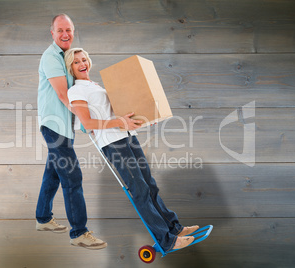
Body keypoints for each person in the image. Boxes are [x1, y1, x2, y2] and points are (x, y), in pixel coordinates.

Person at [65, 48, 199, 252]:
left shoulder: (95, 85)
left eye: (84, 59)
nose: (82, 64)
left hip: (127, 137)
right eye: (76, 62)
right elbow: (87, 121)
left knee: (150, 185)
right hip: (112, 143)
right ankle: (166, 240)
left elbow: (120, 110)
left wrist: (146, 116)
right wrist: (119, 122)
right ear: (70, 67)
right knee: (140, 190)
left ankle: (174, 228)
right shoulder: (76, 90)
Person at [36, 14, 107, 250]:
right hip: (55, 126)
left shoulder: (66, 57)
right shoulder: (51, 57)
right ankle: (79, 232)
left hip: (64, 126)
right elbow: (63, 94)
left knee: (54, 174)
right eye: (60, 30)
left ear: (73, 31)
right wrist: (87, 121)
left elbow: (78, 88)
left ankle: (43, 219)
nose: (65, 34)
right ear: (52, 33)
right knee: (72, 176)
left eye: (69, 30)